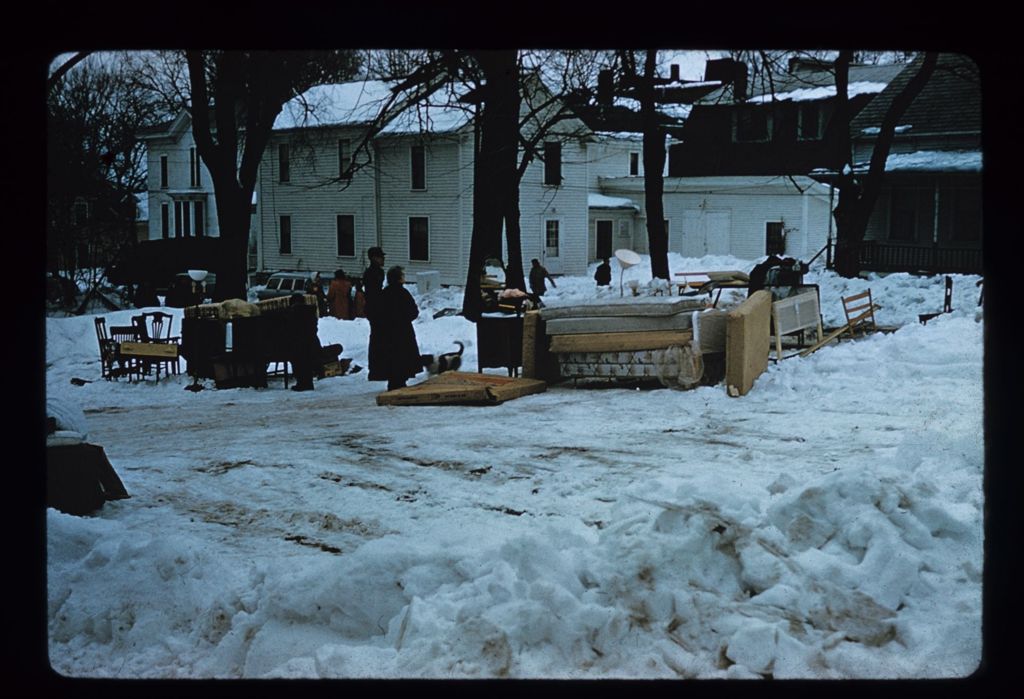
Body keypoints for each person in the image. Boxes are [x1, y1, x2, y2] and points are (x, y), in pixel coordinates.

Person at [373, 266, 422, 391]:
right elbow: (413, 312)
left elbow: (377, 313)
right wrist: (403, 319)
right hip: (403, 332)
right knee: (403, 358)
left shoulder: (384, 294)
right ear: (399, 278)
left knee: (391, 359)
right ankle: (400, 382)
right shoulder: (403, 293)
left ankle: (393, 382)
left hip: (387, 334)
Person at [285, 293, 322, 392]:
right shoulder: (310, 311)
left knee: (298, 363)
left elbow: (289, 330)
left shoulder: (291, 312)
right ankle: (308, 383)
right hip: (311, 342)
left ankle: (301, 383)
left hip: (297, 343)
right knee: (307, 363)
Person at [363, 247, 387, 381]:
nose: (383, 259)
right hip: (375, 310)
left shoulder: (377, 272)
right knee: (377, 340)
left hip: (375, 309)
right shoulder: (372, 273)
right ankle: (376, 370)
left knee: (379, 339)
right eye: (380, 257)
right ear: (374, 258)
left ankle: (378, 369)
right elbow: (373, 294)